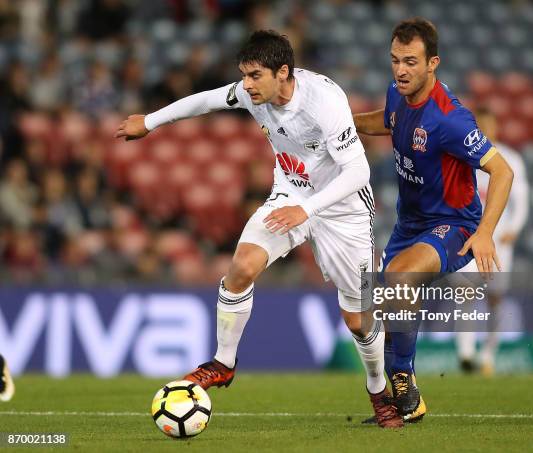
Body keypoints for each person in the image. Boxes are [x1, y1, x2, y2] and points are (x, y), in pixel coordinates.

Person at [116, 30, 403, 428]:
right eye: (243, 76)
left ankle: (379, 392)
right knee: (241, 268)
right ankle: (223, 363)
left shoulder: (326, 101)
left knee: (359, 318)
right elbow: (206, 100)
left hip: (344, 209)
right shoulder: (252, 93)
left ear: (282, 72)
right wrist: (149, 122)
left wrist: (308, 209)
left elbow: (358, 172)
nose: (245, 85)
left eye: (254, 76)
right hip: (289, 195)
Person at [353, 18, 514, 423]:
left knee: (401, 278)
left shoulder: (450, 119)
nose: (401, 70)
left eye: (410, 61)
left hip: (453, 224)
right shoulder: (397, 94)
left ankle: (404, 384)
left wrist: (485, 233)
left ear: (433, 64)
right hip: (410, 224)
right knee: (388, 301)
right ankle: (403, 398)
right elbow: (387, 120)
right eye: (395, 61)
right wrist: (349, 124)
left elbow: (503, 171)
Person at [455, 107, 529, 375]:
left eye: (489, 125)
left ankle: (488, 353)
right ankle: (466, 354)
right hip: (469, 239)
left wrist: (514, 228)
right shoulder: (462, 157)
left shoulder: (510, 159)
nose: (485, 130)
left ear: (496, 128)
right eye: (480, 125)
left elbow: (521, 201)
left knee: (496, 300)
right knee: (464, 295)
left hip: (498, 242)